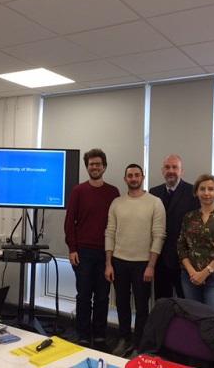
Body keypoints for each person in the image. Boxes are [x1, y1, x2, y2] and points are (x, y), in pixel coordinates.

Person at [105, 164, 166, 356]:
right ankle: (124, 339)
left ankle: (139, 345)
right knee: (121, 304)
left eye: (137, 175)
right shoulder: (117, 202)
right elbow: (110, 232)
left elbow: (159, 235)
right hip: (119, 261)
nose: (133, 178)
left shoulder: (155, 202)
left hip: (143, 264)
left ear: (142, 177)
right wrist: (108, 263)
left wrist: (151, 265)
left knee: (141, 307)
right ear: (125, 179)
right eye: (130, 175)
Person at [64, 148, 120, 349]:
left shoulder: (113, 192)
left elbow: (116, 224)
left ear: (104, 166)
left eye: (98, 164)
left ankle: (100, 335)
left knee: (103, 297)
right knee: (84, 296)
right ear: (87, 167)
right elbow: (70, 221)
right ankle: (83, 335)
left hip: (106, 253)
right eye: (91, 164)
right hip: (83, 253)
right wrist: (72, 249)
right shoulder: (78, 190)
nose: (95, 167)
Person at [177, 174, 214, 317]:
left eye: (211, 189)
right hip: (190, 277)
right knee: (194, 319)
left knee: (213, 321)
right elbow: (181, 246)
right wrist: (192, 272)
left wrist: (204, 273)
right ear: (196, 192)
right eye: (202, 189)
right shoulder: (189, 217)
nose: (206, 193)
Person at [150, 154, 200, 299]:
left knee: (186, 305)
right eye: (167, 167)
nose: (171, 170)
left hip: (184, 262)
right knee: (162, 304)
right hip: (160, 260)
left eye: (175, 167)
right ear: (162, 171)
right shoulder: (154, 192)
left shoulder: (194, 193)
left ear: (181, 171)